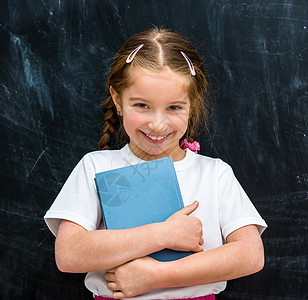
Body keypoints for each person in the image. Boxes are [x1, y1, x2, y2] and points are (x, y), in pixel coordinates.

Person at [44, 27, 267, 300]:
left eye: (174, 108)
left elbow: (250, 254)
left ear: (192, 106)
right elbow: (69, 254)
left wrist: (155, 276)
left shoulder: (214, 174)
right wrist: (163, 234)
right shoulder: (95, 167)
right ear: (118, 100)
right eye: (142, 105)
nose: (157, 124)